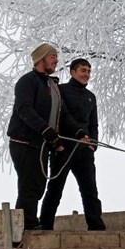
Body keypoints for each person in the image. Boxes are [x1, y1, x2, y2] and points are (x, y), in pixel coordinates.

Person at [7, 43, 88, 230]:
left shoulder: (52, 85)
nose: (56, 60)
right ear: (41, 58)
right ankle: (26, 227)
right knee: (30, 185)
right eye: (52, 56)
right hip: (24, 142)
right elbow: (24, 109)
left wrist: (79, 132)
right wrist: (45, 129)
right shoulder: (27, 82)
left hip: (42, 144)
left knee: (39, 185)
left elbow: (64, 114)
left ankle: (28, 224)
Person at [39, 57, 106, 231]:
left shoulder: (91, 97)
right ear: (73, 72)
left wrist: (93, 144)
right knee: (55, 189)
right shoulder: (61, 91)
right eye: (83, 70)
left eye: (89, 71)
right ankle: (45, 225)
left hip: (84, 150)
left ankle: (96, 226)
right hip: (63, 148)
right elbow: (62, 116)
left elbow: (93, 124)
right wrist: (62, 141)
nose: (87, 74)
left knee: (90, 190)